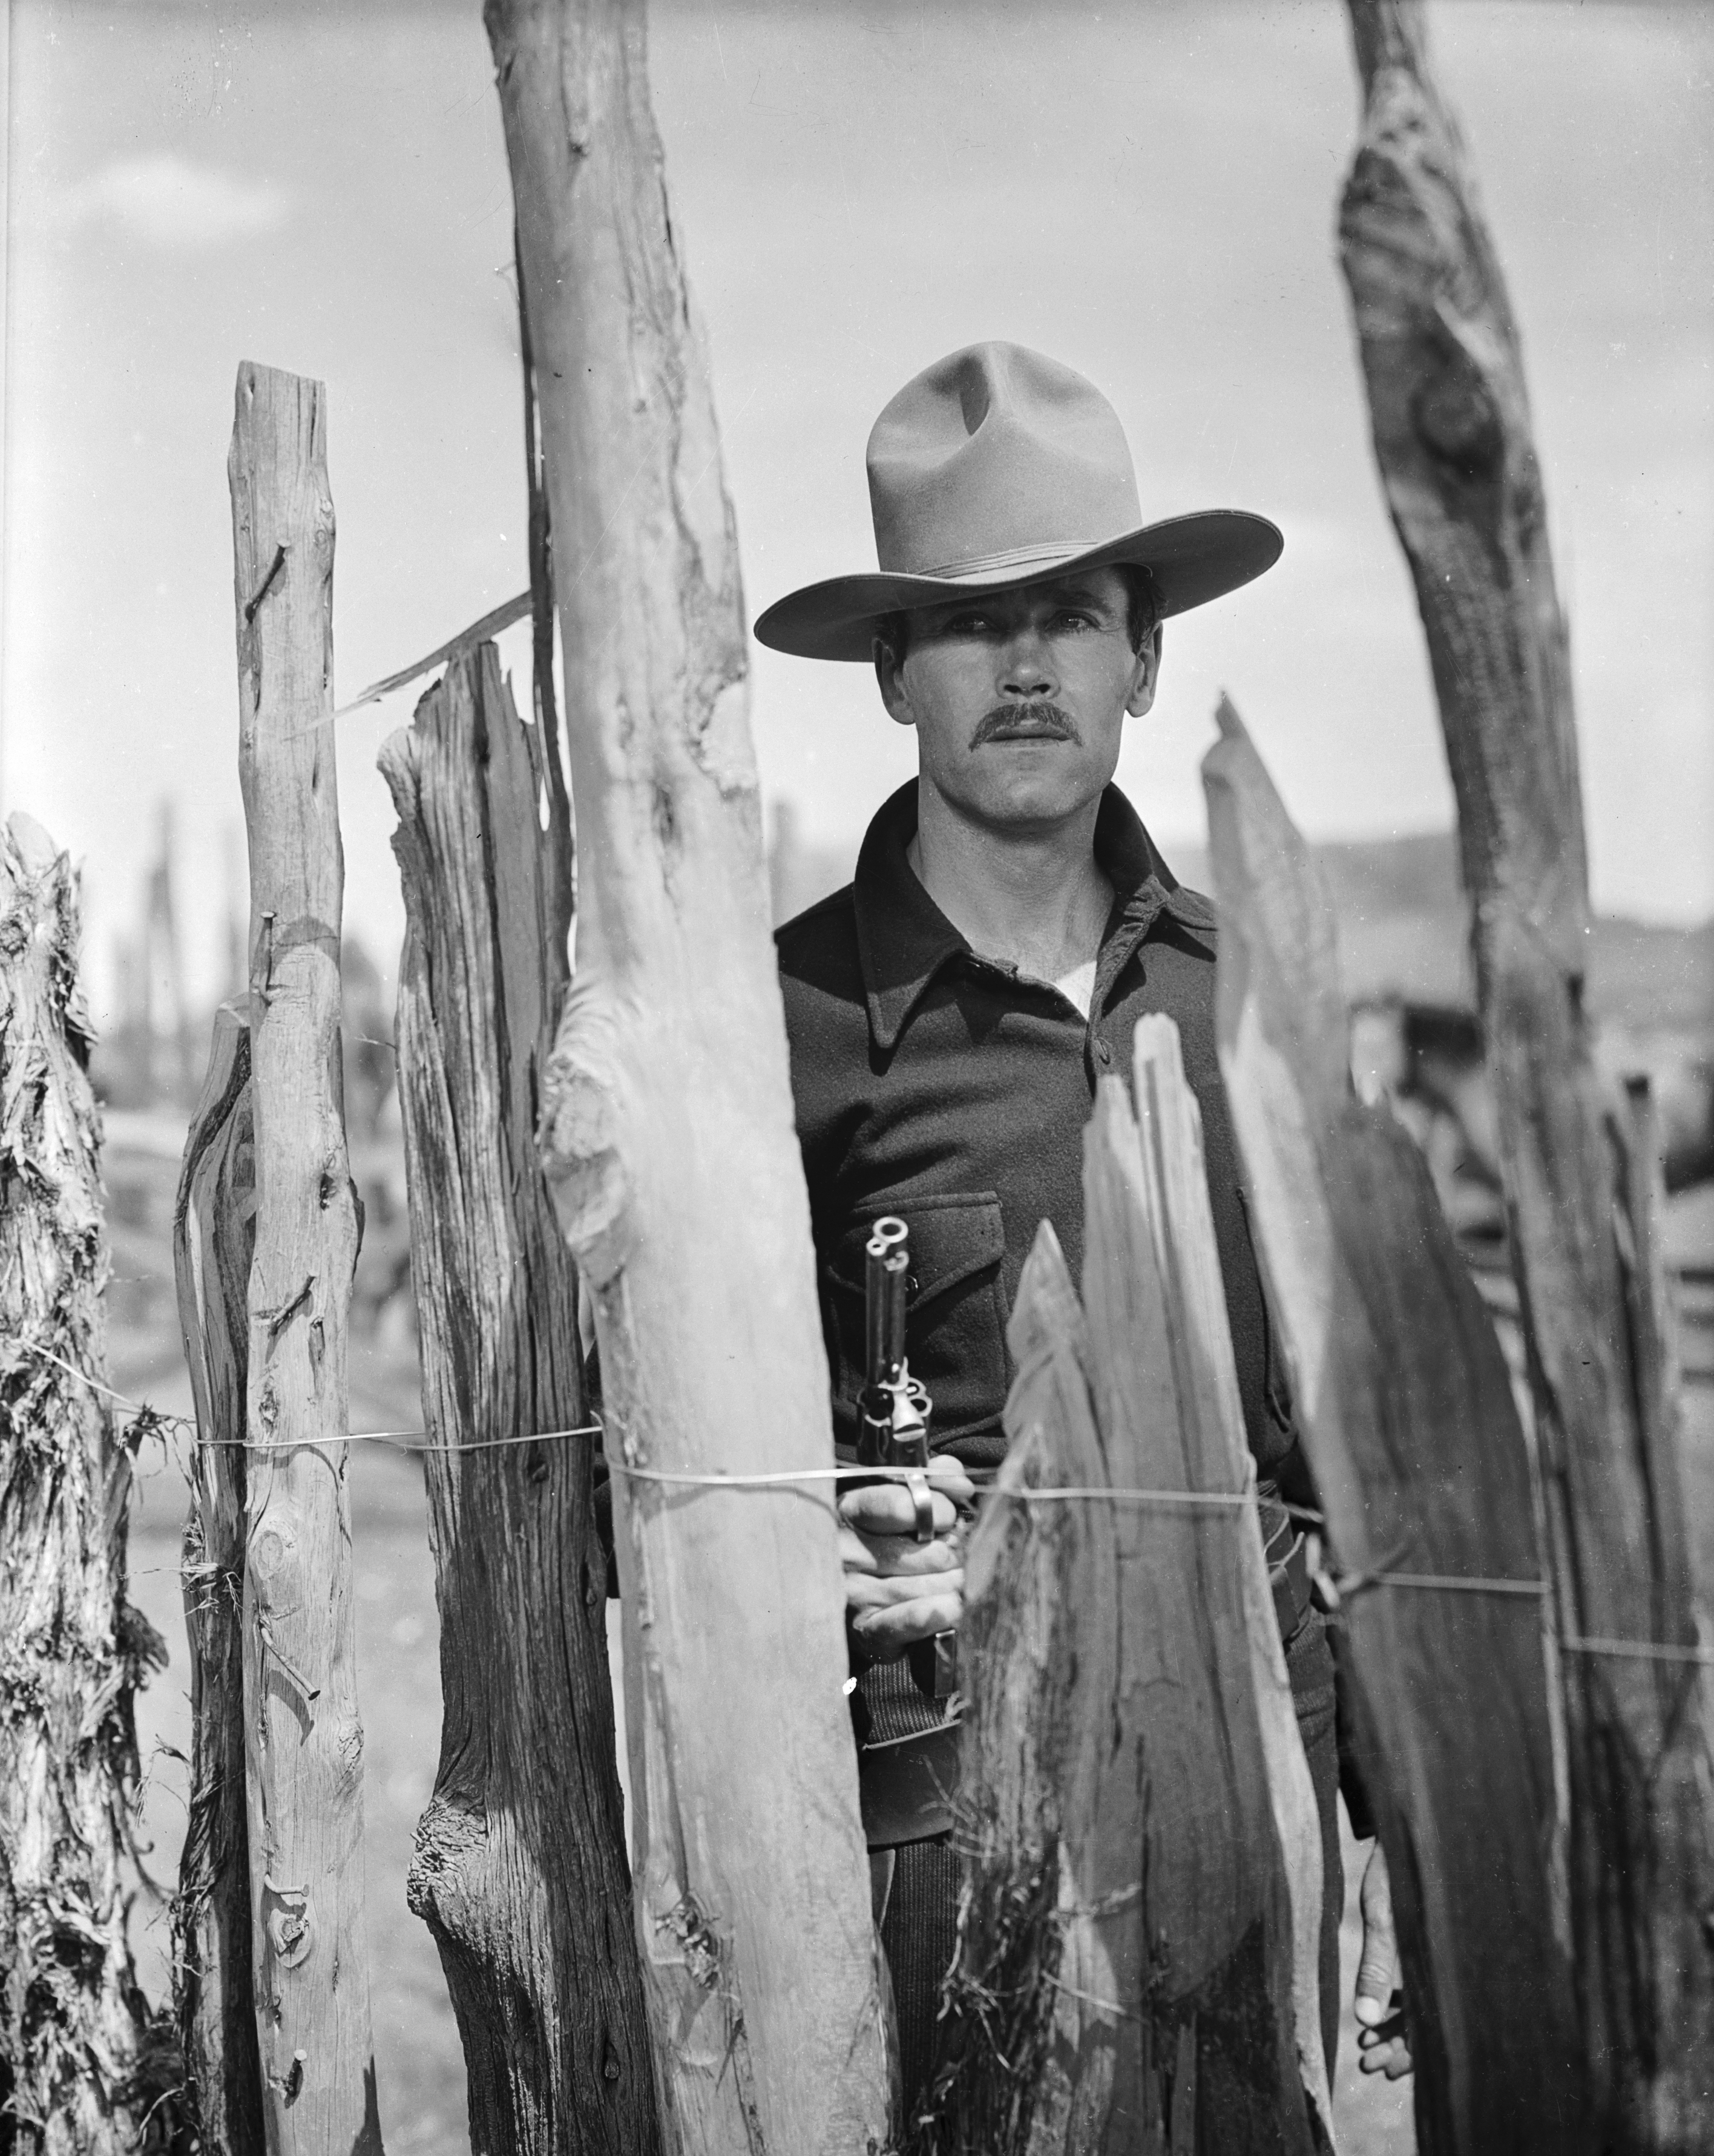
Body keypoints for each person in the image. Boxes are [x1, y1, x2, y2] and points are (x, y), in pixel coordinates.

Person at [754, 341, 1413, 2109]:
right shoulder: (785, 1032)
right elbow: (703, 1504)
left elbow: (1339, 1456)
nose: (1027, 662)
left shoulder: (1250, 998)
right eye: (972, 622)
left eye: (1071, 612)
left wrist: (1395, 1832)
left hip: (1262, 1815)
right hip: (936, 1851)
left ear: (1146, 649)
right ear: (892, 667)